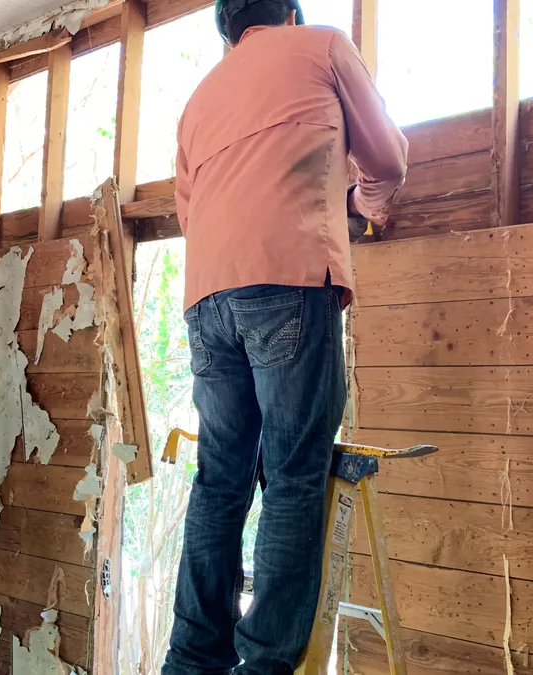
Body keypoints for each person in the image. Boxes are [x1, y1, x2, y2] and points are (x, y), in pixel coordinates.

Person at [164, 0, 408, 672]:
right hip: (289, 278)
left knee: (220, 477)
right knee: (295, 473)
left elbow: (190, 208)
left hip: (207, 298)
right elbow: (386, 155)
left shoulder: (199, 98)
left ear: (228, 31)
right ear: (292, 11)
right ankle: (265, 662)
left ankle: (192, 657)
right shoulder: (323, 46)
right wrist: (370, 207)